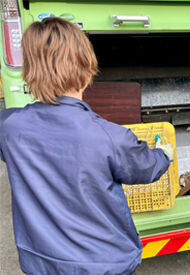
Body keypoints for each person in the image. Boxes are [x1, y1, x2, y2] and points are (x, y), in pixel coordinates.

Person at [0, 17, 173, 275]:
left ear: (30, 70)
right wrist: (164, 155)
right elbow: (147, 168)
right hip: (104, 265)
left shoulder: (10, 127)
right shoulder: (110, 137)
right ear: (86, 67)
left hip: (43, 265)